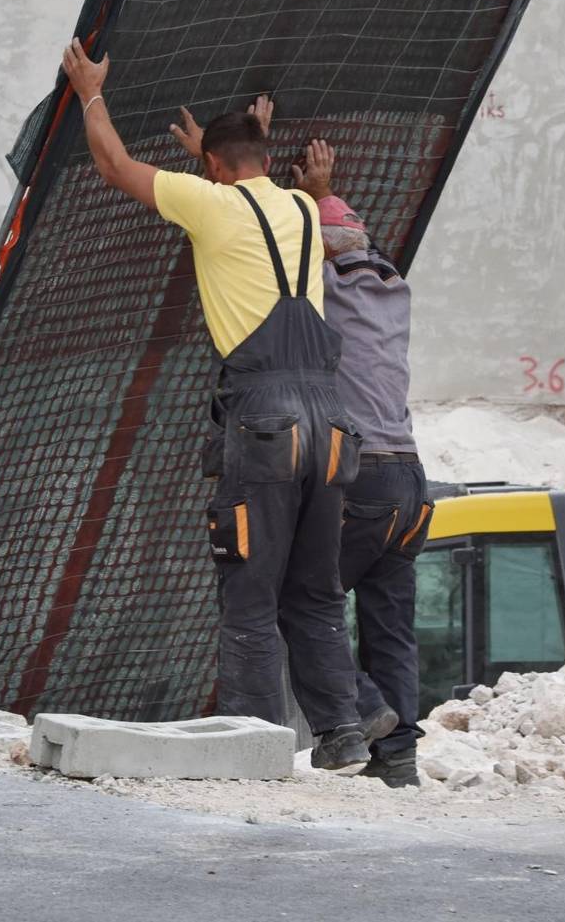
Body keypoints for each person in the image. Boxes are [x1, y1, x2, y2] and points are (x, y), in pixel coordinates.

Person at [61, 38, 369, 772]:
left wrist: (90, 92)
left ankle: (252, 745)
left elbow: (114, 165)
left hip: (265, 420)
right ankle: (343, 734)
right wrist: (221, 149)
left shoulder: (209, 202)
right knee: (316, 591)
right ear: (263, 157)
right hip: (331, 420)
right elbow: (249, 186)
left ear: (213, 168)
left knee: (250, 594)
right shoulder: (303, 207)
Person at [293, 134, 432, 790]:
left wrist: (309, 198)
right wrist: (327, 197)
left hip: (365, 476)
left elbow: (285, 253)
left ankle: (364, 709)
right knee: (390, 626)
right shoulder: (394, 288)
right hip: (412, 482)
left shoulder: (327, 288)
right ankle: (399, 758)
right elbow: (348, 243)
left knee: (302, 596)